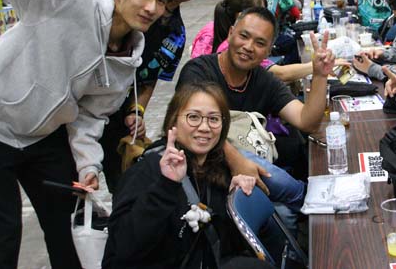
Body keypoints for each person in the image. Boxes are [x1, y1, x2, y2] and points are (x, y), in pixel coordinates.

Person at [0, 0, 180, 268]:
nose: (151, 8)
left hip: (42, 138)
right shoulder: (67, 0)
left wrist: (88, 164)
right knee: (0, 238)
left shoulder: (130, 55)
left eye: (160, 1)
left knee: (68, 230)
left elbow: (91, 115)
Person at [61, 0, 217, 192]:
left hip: (113, 113)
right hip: (65, 103)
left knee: (124, 186)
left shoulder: (176, 34)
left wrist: (137, 111)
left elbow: (149, 79)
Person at [102, 81, 272, 269]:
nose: (205, 127)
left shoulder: (216, 168)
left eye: (214, 119)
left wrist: (234, 201)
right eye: (193, 117)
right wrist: (165, 186)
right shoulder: (148, 170)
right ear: (173, 121)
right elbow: (122, 250)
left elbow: (219, 245)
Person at [177, 7, 336, 185]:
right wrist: (237, 161)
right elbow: (191, 127)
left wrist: (320, 75)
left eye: (260, 43)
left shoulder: (264, 80)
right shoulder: (198, 72)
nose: (248, 47)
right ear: (230, 34)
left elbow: (306, 121)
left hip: (249, 171)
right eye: (244, 36)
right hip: (202, 169)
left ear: (268, 52)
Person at [191, 0, 348, 83]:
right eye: (259, 13)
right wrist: (318, 66)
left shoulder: (216, 28)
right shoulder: (232, 47)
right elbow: (279, 74)